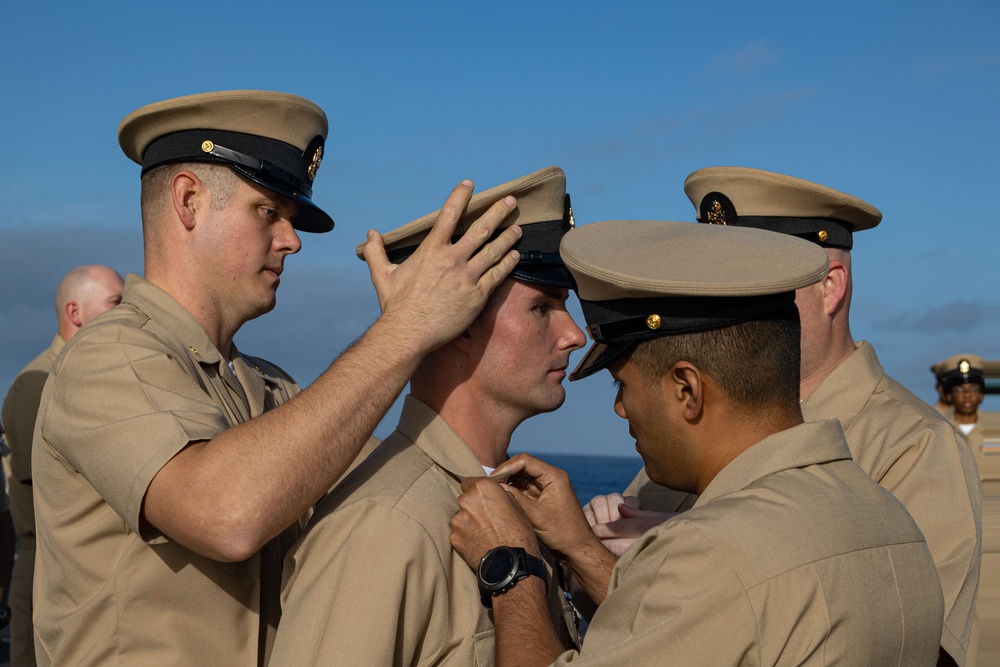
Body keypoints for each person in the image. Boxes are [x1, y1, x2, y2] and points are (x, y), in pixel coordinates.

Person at [31, 90, 523, 666]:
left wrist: (559, 531)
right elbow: (227, 515)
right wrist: (405, 330)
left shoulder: (267, 387)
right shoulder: (108, 357)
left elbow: (396, 499)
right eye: (268, 213)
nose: (290, 241)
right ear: (188, 201)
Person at [450, 219, 945, 665]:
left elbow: (723, 589)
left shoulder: (709, 554)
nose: (620, 409)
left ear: (687, 391)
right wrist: (581, 548)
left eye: (624, 386)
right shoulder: (885, 514)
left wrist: (511, 567)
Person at [593, 167, 981, 666]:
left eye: (760, 282)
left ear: (831, 287)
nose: (723, 304)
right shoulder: (692, 421)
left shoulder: (918, 446)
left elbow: (922, 649)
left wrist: (685, 557)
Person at [271, 166, 584, 665]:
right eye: (543, 308)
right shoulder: (385, 524)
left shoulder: (520, 508)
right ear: (458, 325)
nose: (575, 335)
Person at [1, 263, 123, 666]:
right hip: (50, 574)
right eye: (116, 303)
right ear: (75, 314)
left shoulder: (99, 380)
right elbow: (54, 492)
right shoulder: (37, 384)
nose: (127, 314)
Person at [938, 355, 999, 666]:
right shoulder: (935, 430)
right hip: (953, 541)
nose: (967, 396)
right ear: (949, 394)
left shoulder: (997, 431)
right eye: (960, 390)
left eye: (973, 389)